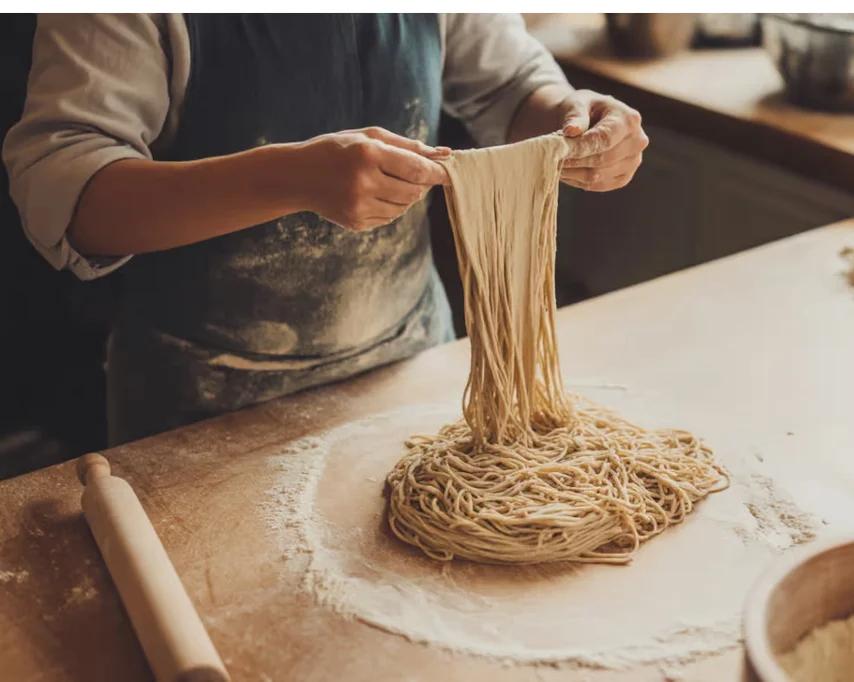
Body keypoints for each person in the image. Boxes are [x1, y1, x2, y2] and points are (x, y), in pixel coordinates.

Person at [3, 10, 649, 446]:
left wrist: (569, 121)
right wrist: (291, 181)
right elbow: (66, 190)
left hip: (412, 367)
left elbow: (506, 82)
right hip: (203, 404)